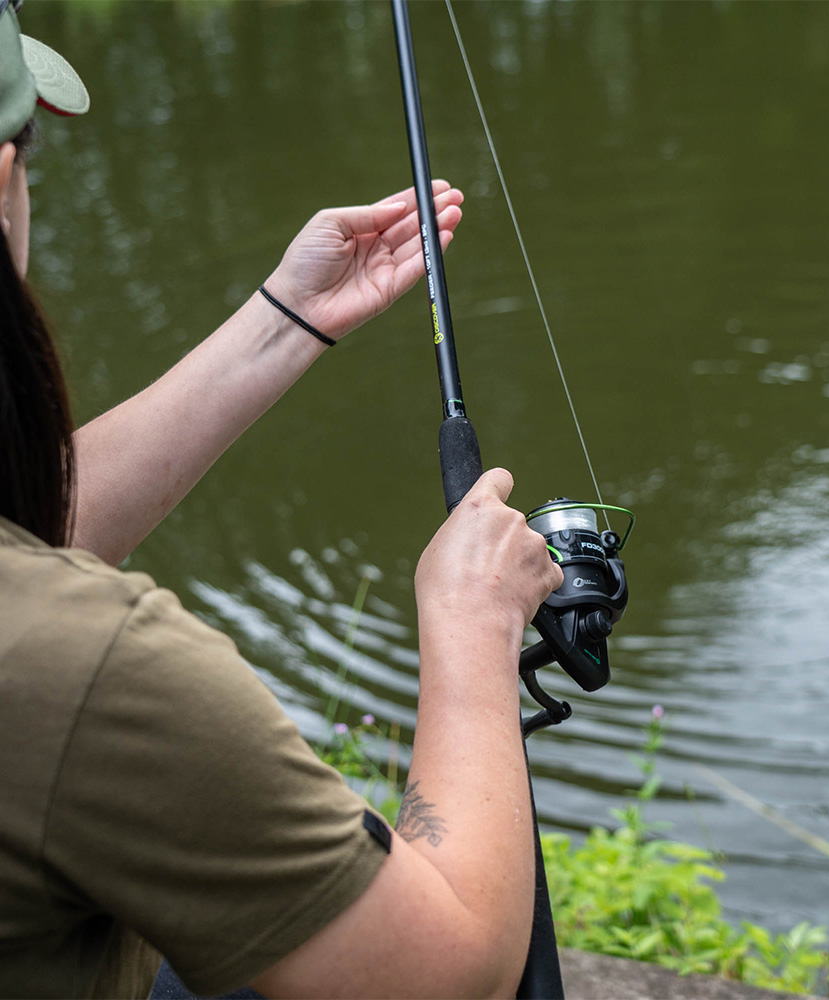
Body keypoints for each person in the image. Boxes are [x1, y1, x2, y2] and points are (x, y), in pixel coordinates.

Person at [0, 5, 564, 999]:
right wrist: (473, 626)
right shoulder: (82, 671)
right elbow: (447, 968)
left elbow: (31, 539)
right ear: (1, 184)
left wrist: (286, 322)